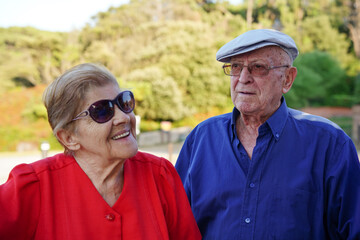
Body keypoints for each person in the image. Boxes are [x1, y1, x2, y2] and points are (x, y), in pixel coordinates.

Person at [175, 29, 360, 239]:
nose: (243, 78)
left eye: (258, 68)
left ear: (287, 79)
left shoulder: (330, 145)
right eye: (236, 67)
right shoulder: (201, 139)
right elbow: (175, 224)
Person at [0, 63, 201, 240]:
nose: (124, 117)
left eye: (124, 102)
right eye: (102, 111)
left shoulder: (160, 175)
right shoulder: (31, 187)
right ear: (69, 138)